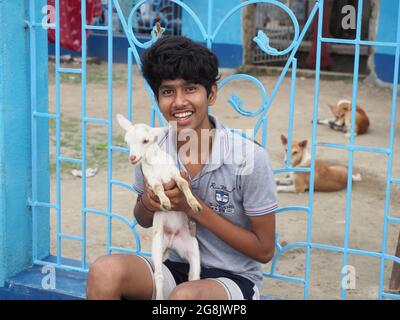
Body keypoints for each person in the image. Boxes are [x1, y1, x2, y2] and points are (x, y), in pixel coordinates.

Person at [86, 36, 278, 300]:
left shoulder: (249, 157)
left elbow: (264, 250)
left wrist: (191, 207)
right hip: (174, 268)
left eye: (190, 89)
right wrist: (150, 201)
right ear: (158, 98)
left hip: (234, 280)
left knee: (185, 297)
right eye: (168, 91)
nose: (178, 102)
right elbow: (143, 218)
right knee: (104, 271)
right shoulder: (150, 146)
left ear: (210, 94)